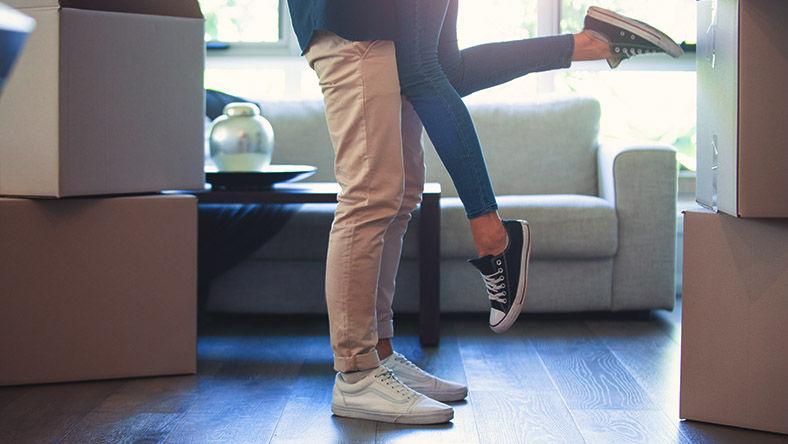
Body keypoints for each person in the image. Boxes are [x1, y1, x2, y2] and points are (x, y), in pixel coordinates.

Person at [285, 0, 682, 425]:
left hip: (384, 24)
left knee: (398, 198)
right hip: (354, 21)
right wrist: (484, 217)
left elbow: (445, 74)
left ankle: (379, 354)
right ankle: (357, 372)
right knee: (369, 194)